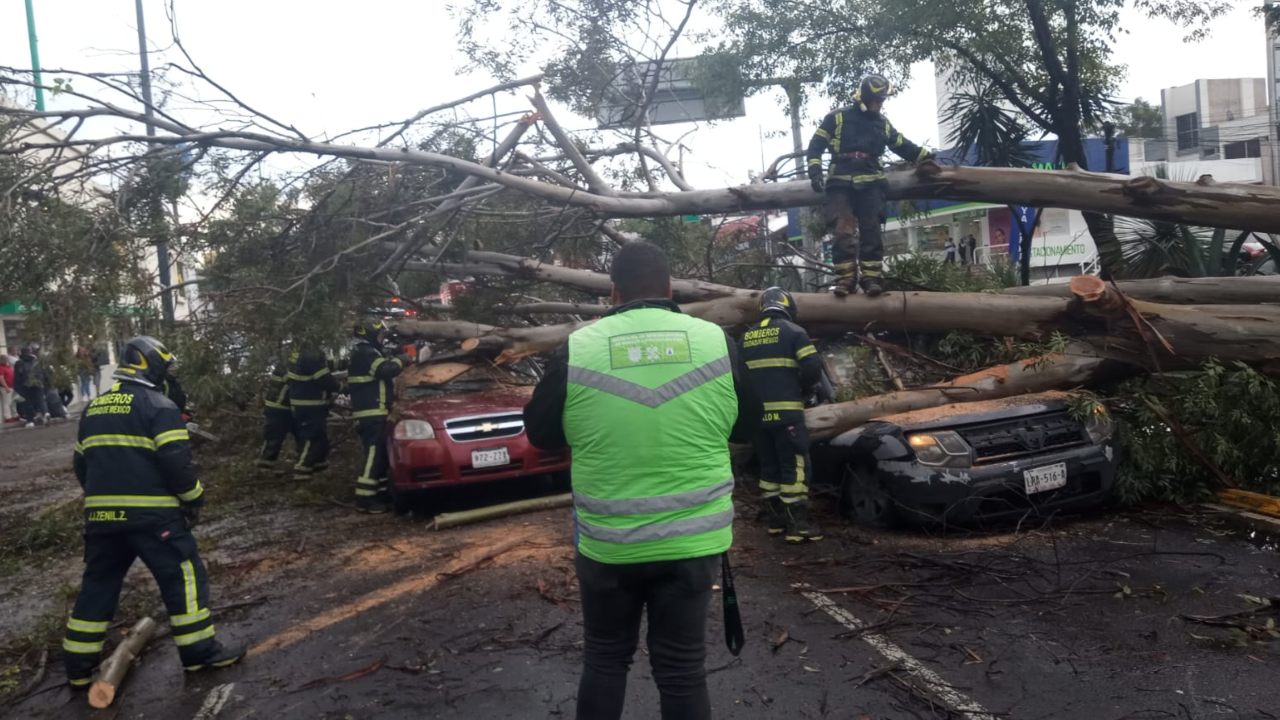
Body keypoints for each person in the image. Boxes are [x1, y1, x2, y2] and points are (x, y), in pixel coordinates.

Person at [524, 240, 761, 720]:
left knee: (606, 658)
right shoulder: (716, 341)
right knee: (681, 669)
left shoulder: (579, 346)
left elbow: (541, 434)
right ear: (670, 289)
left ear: (613, 293)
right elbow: (749, 426)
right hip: (694, 542)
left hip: (610, 544)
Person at [63, 336, 244, 689]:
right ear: (152, 366)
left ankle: (77, 667)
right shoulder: (159, 407)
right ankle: (199, 654)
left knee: (98, 585)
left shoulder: (94, 408)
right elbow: (177, 463)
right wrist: (194, 499)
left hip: (101, 519)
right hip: (154, 519)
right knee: (184, 577)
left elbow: (81, 464)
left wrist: (104, 500)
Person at [807, 73, 935, 297]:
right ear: (864, 97)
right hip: (840, 182)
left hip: (872, 183)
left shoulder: (882, 124)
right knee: (842, 231)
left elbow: (901, 144)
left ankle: (871, 279)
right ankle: (846, 280)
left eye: (882, 100)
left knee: (872, 231)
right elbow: (816, 144)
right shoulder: (837, 118)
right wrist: (815, 170)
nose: (879, 104)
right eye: (876, 100)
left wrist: (926, 156)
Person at [738, 288, 828, 543]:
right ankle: (798, 525)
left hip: (757, 418)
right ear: (788, 306)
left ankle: (775, 521)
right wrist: (804, 388)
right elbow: (812, 368)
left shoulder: (747, 337)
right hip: (787, 414)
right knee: (795, 468)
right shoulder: (794, 332)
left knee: (768, 468)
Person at [347, 319, 414, 513]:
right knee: (374, 456)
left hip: (375, 412)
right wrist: (402, 359)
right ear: (369, 334)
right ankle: (365, 499)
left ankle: (381, 495)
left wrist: (396, 354)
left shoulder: (367, 352)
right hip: (372, 413)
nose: (381, 339)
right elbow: (385, 370)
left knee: (382, 456)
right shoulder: (365, 353)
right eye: (379, 335)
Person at [287, 347, 340, 480]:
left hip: (303, 403)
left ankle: (318, 469)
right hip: (309, 404)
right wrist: (342, 387)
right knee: (311, 438)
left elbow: (324, 366)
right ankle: (301, 471)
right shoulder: (310, 354)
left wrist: (348, 362)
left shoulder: (301, 352)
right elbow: (324, 379)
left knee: (320, 439)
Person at [256, 360, 295, 472]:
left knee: (301, 434)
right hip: (278, 407)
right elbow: (297, 380)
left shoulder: (288, 362)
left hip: (285, 407)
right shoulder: (289, 366)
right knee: (274, 438)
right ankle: (264, 467)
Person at [0, 354, 14, 424]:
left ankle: (11, 415)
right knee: (7, 402)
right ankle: (7, 417)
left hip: (11, 386)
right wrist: (6, 387)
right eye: (5, 359)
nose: (7, 360)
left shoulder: (7, 366)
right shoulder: (1, 367)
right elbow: (1, 378)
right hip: (6, 387)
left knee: (10, 402)